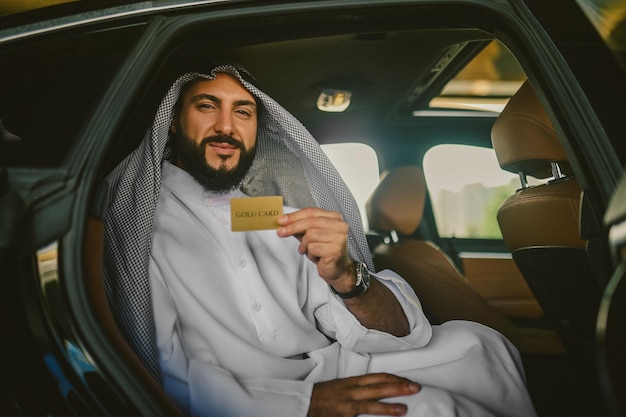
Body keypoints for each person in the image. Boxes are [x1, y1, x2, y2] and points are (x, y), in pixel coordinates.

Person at [103, 63, 537, 417]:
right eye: (206, 106)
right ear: (174, 123)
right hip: (245, 396)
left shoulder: (268, 213)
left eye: (243, 112)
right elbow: (157, 364)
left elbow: (388, 330)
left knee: (480, 346)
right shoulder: (140, 222)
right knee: (427, 408)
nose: (226, 126)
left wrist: (348, 277)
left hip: (327, 365)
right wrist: (304, 404)